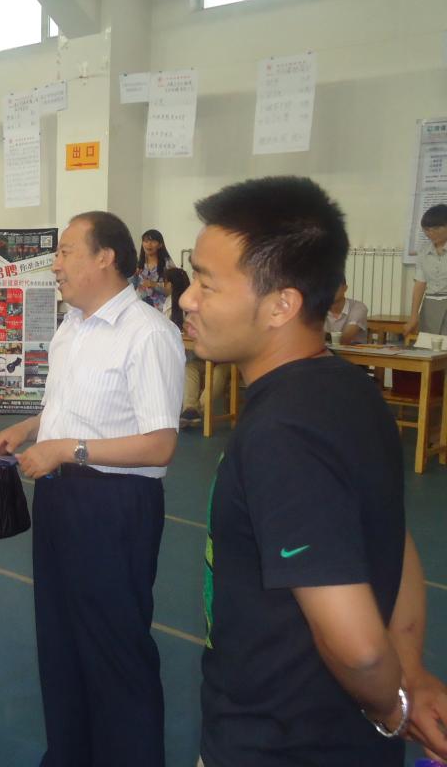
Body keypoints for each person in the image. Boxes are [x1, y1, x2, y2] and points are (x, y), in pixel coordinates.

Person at [180, 176, 447, 767]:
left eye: (205, 283)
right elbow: (394, 540)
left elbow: (358, 650)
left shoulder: (283, 433)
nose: (187, 300)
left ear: (282, 305)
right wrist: (411, 672)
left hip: (277, 744)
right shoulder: (353, 391)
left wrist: (394, 710)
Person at [0, 211, 184, 767]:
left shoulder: (149, 334)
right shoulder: (72, 326)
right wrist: (30, 429)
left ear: (106, 257)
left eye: (67, 251)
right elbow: (69, 407)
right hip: (59, 497)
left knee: (115, 648)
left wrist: (65, 449)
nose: (55, 264)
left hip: (115, 506)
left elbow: (160, 444)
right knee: (61, 639)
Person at [162, 267, 230, 428]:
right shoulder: (197, 304)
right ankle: (190, 408)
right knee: (190, 368)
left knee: (219, 373)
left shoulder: (225, 307)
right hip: (206, 359)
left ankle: (196, 410)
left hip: (228, 360)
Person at [404, 204, 447, 337]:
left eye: (436, 228)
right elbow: (420, 284)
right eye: (427, 229)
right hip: (430, 305)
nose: (431, 233)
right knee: (428, 345)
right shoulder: (424, 251)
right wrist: (413, 316)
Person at [130, 228, 176, 309]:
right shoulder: (138, 264)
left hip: (160, 310)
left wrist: (154, 285)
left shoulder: (168, 264)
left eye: (153, 241)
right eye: (146, 241)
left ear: (160, 245)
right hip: (140, 308)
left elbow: (171, 291)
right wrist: (133, 276)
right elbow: (131, 288)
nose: (149, 244)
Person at [325, 275, 368, 344]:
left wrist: (318, 336)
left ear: (345, 288)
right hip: (324, 350)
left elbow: (345, 338)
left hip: (351, 350)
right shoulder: (316, 308)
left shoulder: (358, 307)